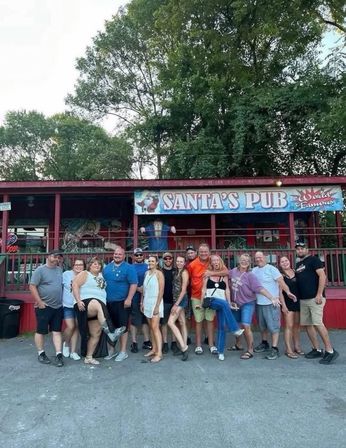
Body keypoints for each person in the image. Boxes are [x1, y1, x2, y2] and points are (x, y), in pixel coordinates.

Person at [72, 256, 126, 365]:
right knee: (96, 303)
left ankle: (89, 357)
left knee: (95, 333)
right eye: (94, 263)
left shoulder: (102, 276)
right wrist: (78, 300)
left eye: (99, 264)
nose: (97, 265)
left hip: (98, 309)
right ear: (89, 265)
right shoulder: (85, 273)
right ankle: (111, 332)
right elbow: (75, 285)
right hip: (84, 304)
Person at [295, 241, 339, 364]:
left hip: (315, 298)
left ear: (307, 249)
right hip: (303, 299)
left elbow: (322, 276)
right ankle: (317, 349)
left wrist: (319, 294)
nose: (300, 251)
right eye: (298, 249)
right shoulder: (298, 264)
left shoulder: (314, 260)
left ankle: (330, 350)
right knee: (308, 325)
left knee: (318, 323)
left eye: (302, 248)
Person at [229, 253, 278, 360]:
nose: (244, 262)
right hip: (236, 303)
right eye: (242, 259)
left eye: (247, 260)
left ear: (249, 263)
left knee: (246, 326)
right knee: (236, 326)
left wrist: (272, 298)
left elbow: (260, 289)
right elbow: (224, 275)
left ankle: (250, 350)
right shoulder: (233, 271)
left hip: (248, 303)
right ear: (239, 260)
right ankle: (238, 344)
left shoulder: (251, 276)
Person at [252, 251, 296, 360]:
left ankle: (274, 348)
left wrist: (288, 292)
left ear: (265, 258)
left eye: (260, 257)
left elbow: (282, 283)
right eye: (256, 258)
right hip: (259, 303)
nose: (258, 259)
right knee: (262, 326)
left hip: (272, 303)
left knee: (274, 327)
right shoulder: (254, 270)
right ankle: (264, 343)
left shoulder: (272, 269)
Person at [200, 255, 243, 361]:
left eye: (217, 260)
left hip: (222, 303)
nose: (215, 262)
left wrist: (229, 303)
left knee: (221, 326)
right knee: (224, 304)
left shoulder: (224, 275)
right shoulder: (207, 274)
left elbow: (227, 290)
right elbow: (203, 290)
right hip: (211, 301)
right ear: (211, 262)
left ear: (220, 261)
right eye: (213, 260)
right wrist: (201, 303)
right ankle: (234, 329)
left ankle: (220, 351)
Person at [187, 244, 228, 355]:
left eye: (206, 251)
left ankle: (211, 345)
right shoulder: (192, 265)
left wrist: (212, 273)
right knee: (198, 321)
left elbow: (226, 272)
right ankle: (198, 345)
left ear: (209, 252)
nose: (204, 253)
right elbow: (189, 279)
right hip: (196, 296)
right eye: (201, 251)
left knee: (210, 320)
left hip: (211, 297)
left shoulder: (213, 260)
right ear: (197, 252)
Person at [29, 249, 64, 367]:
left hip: (58, 306)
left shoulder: (59, 270)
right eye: (55, 256)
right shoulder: (40, 270)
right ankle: (41, 353)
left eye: (59, 258)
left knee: (57, 331)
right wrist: (39, 302)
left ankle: (59, 355)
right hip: (44, 306)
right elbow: (32, 286)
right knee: (41, 331)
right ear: (49, 256)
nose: (57, 259)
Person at [103, 246, 138, 362]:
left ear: (124, 256)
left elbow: (134, 284)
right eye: (115, 254)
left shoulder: (129, 268)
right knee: (111, 327)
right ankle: (111, 350)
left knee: (122, 328)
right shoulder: (106, 268)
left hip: (123, 302)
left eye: (119, 254)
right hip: (108, 302)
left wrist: (129, 299)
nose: (117, 255)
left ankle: (123, 352)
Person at [278, 255, 304, 359]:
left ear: (289, 261)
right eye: (282, 262)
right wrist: (283, 306)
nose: (285, 263)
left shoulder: (296, 272)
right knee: (289, 326)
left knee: (297, 326)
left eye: (286, 260)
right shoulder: (280, 275)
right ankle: (288, 349)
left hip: (297, 302)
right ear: (279, 264)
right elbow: (280, 292)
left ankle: (297, 346)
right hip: (287, 303)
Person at [141, 255, 164, 363]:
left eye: (152, 261)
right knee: (151, 327)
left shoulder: (159, 274)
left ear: (157, 263)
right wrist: (142, 302)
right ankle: (154, 349)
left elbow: (161, 291)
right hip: (147, 302)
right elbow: (144, 289)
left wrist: (157, 306)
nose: (150, 263)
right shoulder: (146, 273)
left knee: (155, 327)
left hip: (156, 302)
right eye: (149, 261)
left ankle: (159, 353)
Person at [62, 258, 85, 361]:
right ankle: (66, 343)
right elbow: (59, 287)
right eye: (76, 264)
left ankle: (73, 351)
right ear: (73, 266)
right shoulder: (66, 274)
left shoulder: (86, 275)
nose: (78, 266)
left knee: (77, 328)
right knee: (71, 326)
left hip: (80, 305)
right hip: (68, 305)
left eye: (81, 264)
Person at [129, 248, 152, 353]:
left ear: (143, 256)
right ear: (133, 256)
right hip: (135, 296)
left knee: (145, 320)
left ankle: (147, 341)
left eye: (140, 255)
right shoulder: (130, 267)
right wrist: (137, 288)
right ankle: (134, 342)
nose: (139, 257)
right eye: (136, 255)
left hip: (147, 296)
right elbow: (127, 281)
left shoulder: (148, 266)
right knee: (134, 320)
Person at [168, 255, 189, 361]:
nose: (179, 263)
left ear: (184, 263)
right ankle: (183, 345)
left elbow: (184, 290)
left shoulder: (184, 273)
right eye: (178, 261)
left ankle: (184, 347)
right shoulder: (176, 272)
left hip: (181, 300)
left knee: (170, 322)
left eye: (181, 261)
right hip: (177, 300)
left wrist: (176, 304)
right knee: (182, 322)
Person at [161, 251, 177, 353]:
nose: (168, 260)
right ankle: (165, 343)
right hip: (163, 300)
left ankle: (174, 343)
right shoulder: (160, 271)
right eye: (165, 258)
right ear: (163, 260)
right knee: (164, 323)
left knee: (174, 323)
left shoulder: (176, 271)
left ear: (172, 259)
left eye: (170, 258)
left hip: (175, 301)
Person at [185, 245, 197, 344]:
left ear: (195, 253)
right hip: (188, 294)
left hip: (198, 294)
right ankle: (187, 336)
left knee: (202, 317)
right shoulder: (185, 265)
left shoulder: (200, 263)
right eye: (188, 253)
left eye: (192, 252)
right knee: (188, 317)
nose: (190, 254)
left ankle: (206, 336)